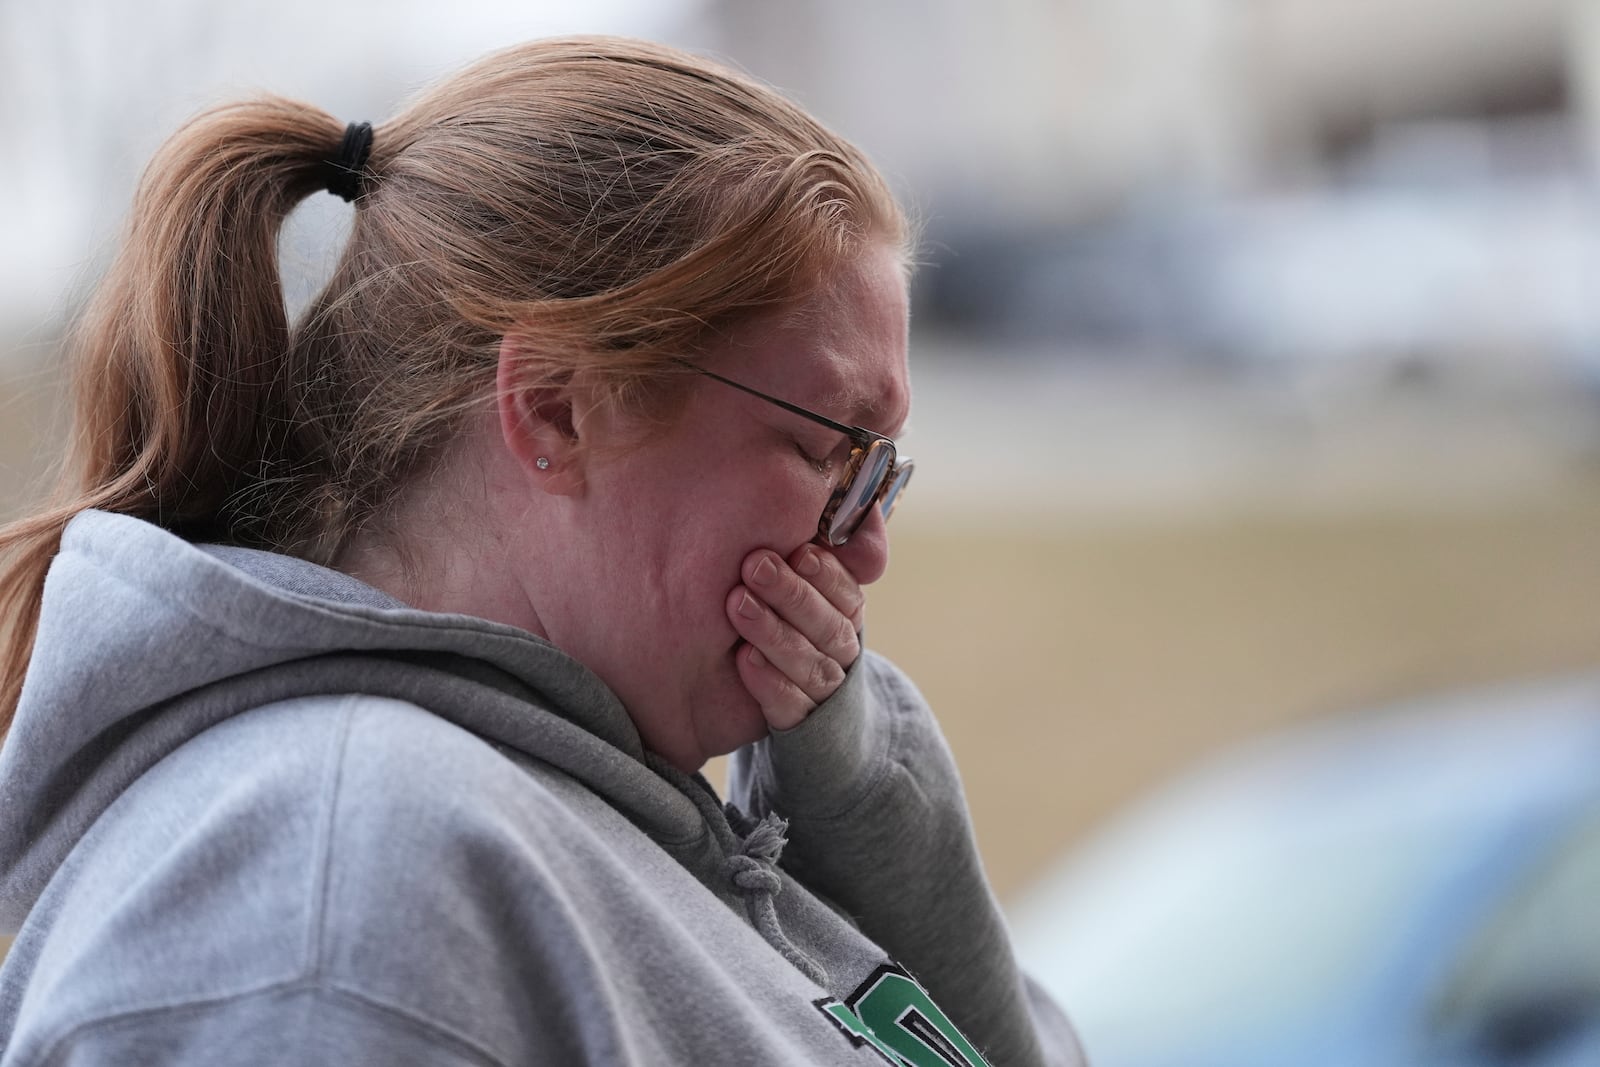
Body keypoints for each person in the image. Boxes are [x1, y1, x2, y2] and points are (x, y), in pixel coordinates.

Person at [0, 36, 1085, 1066]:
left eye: (878, 469)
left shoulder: (582, 807)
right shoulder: (331, 898)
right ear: (556, 408)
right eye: (825, 447)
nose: (870, 548)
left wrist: (860, 808)